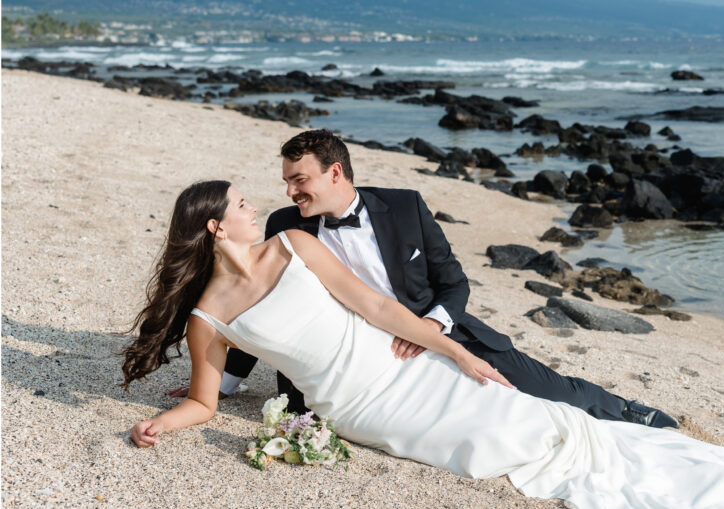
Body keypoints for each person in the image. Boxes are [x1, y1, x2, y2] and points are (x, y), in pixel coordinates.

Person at [126, 180, 724, 509]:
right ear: (212, 226)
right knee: (513, 447)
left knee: (544, 421)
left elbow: (379, 309)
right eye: (239, 201)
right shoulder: (207, 319)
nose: (256, 201)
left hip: (407, 367)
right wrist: (163, 424)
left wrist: (458, 352)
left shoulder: (295, 244)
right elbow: (204, 399)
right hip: (358, 407)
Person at [172, 129, 676, 428]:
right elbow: (259, 303)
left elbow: (454, 283)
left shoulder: (405, 206)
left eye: (299, 179)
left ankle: (632, 414)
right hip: (350, 365)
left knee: (544, 391)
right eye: (286, 180)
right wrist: (225, 381)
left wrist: (433, 327)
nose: (290, 191)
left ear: (336, 174)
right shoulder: (286, 227)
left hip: (435, 332)